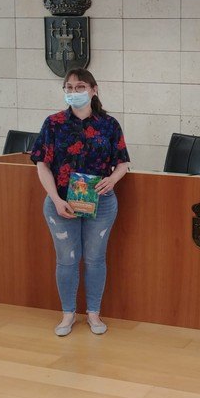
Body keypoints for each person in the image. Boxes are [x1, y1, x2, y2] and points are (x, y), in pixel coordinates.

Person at [30, 68, 130, 337]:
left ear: (93, 90)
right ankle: (68, 314)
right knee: (66, 259)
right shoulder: (53, 123)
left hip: (101, 203)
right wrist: (55, 199)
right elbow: (42, 164)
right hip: (61, 203)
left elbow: (123, 163)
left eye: (80, 87)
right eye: (69, 87)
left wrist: (113, 180)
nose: (74, 92)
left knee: (95, 258)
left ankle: (94, 313)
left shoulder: (109, 124)